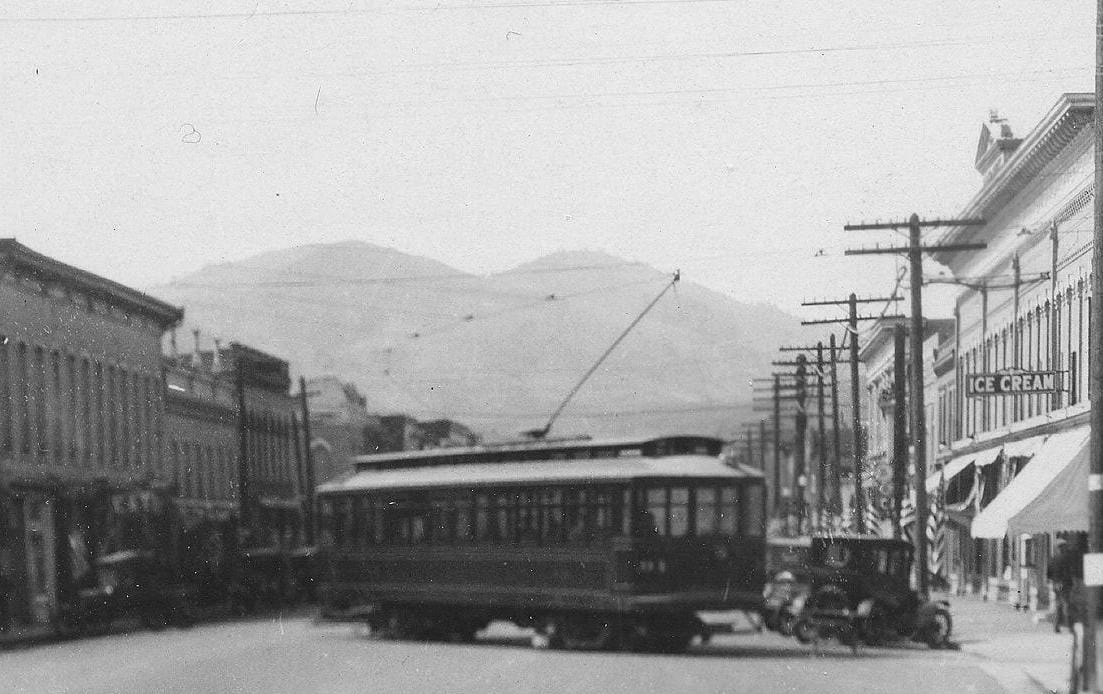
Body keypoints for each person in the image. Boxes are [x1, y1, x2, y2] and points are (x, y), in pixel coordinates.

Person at [1047, 537, 1081, 633]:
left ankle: (1057, 626)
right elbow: (1069, 572)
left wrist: (1054, 581)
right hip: (1065, 584)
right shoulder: (1067, 558)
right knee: (1067, 605)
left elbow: (1049, 573)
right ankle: (1070, 626)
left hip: (1056, 584)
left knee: (1058, 604)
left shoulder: (1053, 559)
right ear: (1063, 547)